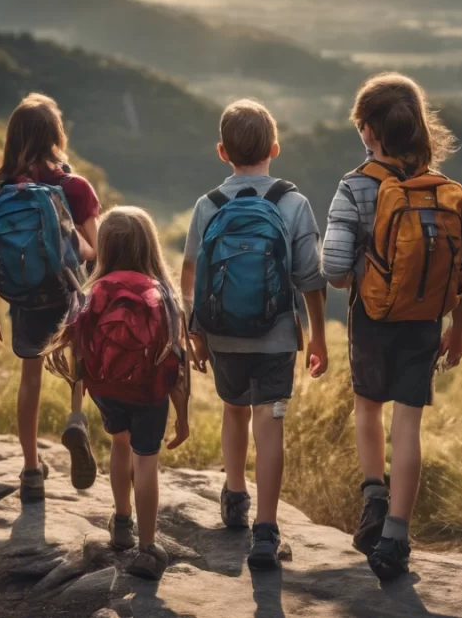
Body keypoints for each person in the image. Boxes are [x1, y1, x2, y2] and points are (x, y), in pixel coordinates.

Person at [322, 73, 462, 582]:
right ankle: (396, 537)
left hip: (373, 317)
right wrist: (457, 328)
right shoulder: (443, 190)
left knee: (368, 407)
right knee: (408, 425)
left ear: (368, 131)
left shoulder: (355, 185)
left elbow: (335, 269)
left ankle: (373, 495)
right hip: (426, 321)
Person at [182, 99, 328, 571]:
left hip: (222, 337)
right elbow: (310, 279)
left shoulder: (209, 204)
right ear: (275, 148)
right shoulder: (294, 203)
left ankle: (235, 497)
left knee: (233, 410)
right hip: (278, 337)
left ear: (222, 151)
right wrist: (318, 337)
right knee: (270, 421)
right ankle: (265, 531)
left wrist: (195, 331)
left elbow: (191, 274)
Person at [49, 207, 190, 582]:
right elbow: (179, 363)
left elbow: (77, 352)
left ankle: (122, 522)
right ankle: (147, 547)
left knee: (119, 445)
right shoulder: (163, 294)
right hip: (150, 389)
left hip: (107, 388)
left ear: (106, 247)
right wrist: (184, 417)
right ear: (150, 247)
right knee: (146, 460)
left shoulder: (92, 291)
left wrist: (77, 406)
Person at [0, 93, 100, 502]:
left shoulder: (4, 193)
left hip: (25, 299)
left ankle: (31, 469)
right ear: (56, 135)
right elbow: (95, 250)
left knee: (29, 377)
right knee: (77, 361)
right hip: (68, 293)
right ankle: (76, 417)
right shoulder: (76, 187)